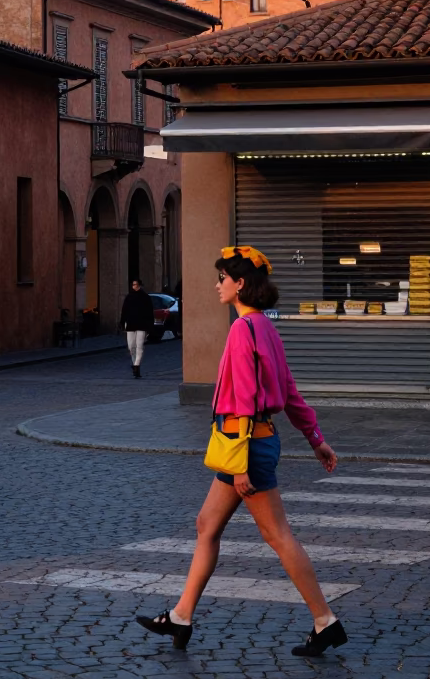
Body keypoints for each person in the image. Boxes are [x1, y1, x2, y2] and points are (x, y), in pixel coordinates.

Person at [136, 245, 347, 657]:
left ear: (240, 284)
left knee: (278, 535)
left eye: (222, 279)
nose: (217, 285)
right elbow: (289, 392)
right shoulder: (266, 328)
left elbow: (247, 398)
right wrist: (315, 437)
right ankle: (181, 615)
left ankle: (325, 621)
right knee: (207, 525)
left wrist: (241, 464)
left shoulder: (242, 329)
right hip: (251, 442)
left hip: (244, 445)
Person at [120, 279, 155, 378]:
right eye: (133, 284)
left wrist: (150, 326)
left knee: (139, 346)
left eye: (135, 284)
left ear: (139, 285)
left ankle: (136, 365)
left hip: (142, 324)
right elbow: (124, 310)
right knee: (131, 346)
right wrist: (122, 322)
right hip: (131, 324)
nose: (133, 286)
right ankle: (135, 363)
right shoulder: (129, 297)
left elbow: (150, 312)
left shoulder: (145, 297)